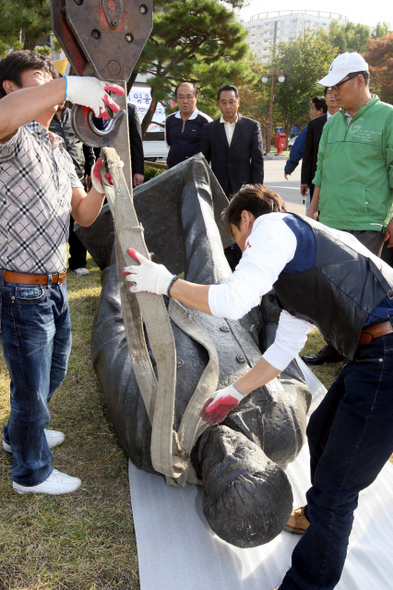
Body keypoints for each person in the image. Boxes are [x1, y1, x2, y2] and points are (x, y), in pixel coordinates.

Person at [122, 183, 393, 590]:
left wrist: (166, 284)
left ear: (245, 218)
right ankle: (317, 515)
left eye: (237, 240)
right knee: (320, 430)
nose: (243, 252)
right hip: (372, 352)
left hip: (386, 355)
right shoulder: (296, 265)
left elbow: (233, 301)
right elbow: (283, 349)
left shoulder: (273, 227)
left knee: (338, 491)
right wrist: (235, 392)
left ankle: (307, 582)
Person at [0, 49, 123, 495]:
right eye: (40, 76)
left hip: (55, 284)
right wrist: (69, 85)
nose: (51, 81)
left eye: (54, 77)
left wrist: (98, 188)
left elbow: (84, 217)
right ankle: (30, 473)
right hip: (21, 288)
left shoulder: (57, 146)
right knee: (31, 388)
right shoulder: (13, 137)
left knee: (52, 375)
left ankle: (19, 434)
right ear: (11, 88)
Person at [304, 52, 393, 365]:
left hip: (367, 222)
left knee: (360, 294)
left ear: (359, 80)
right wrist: (312, 211)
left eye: (338, 85)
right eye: (330, 88)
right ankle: (336, 347)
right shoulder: (331, 125)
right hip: (331, 219)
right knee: (331, 289)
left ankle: (363, 352)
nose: (333, 92)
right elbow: (321, 171)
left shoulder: (388, 117)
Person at [50, 103, 95, 276]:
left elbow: (86, 143)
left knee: (78, 219)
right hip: (54, 175)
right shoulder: (44, 115)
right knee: (56, 219)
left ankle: (78, 262)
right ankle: (55, 260)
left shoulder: (75, 116)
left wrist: (90, 166)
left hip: (77, 175)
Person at [200, 84, 264, 199]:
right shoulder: (209, 129)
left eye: (231, 101)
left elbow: (257, 161)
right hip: (217, 189)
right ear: (219, 104)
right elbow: (204, 160)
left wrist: (257, 190)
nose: (228, 106)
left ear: (238, 102)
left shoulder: (252, 126)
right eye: (223, 102)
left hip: (244, 189)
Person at [300, 88, 340, 208]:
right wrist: (305, 180)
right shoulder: (314, 124)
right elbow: (308, 153)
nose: (333, 96)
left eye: (336, 91)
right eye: (329, 93)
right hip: (317, 179)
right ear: (325, 98)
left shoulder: (351, 121)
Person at [93, 102, 144, 188]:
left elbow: (136, 142)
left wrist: (138, 171)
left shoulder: (129, 109)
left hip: (124, 166)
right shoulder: (94, 110)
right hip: (101, 167)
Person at [165, 82, 211, 169]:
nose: (185, 101)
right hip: (173, 171)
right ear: (176, 99)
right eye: (181, 97)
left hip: (197, 173)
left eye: (189, 97)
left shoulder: (205, 121)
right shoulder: (170, 120)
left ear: (196, 98)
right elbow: (169, 143)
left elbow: (211, 151)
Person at [284, 96, 326, 180]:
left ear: (320, 111)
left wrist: (289, 168)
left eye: (312, 109)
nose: (310, 112)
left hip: (315, 174)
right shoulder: (339, 123)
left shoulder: (311, 127)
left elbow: (298, 148)